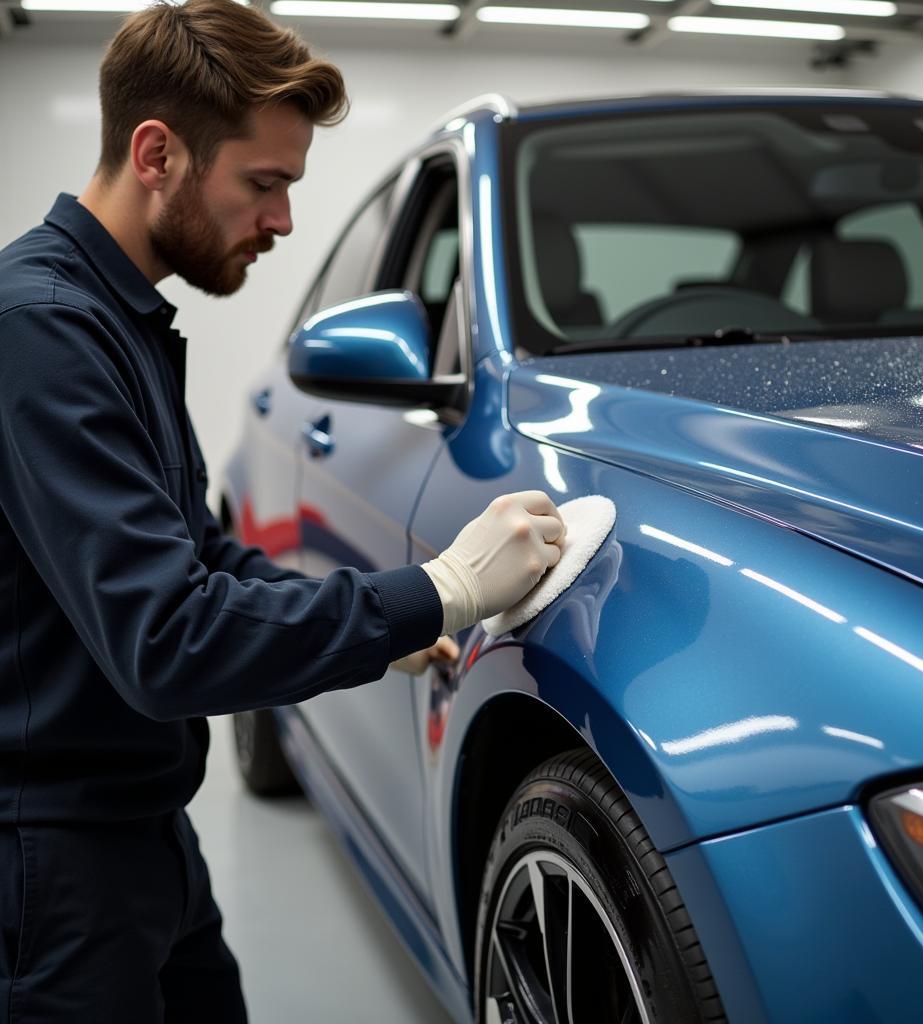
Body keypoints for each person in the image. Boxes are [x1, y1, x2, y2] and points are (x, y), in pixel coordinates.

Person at [0, 1, 564, 1019]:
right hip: (49, 865)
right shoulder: (41, 333)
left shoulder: (117, 318)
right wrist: (440, 591)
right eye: (264, 184)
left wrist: (385, 614)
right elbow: (168, 638)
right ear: (157, 152)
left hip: (142, 827)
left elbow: (198, 552)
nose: (283, 222)